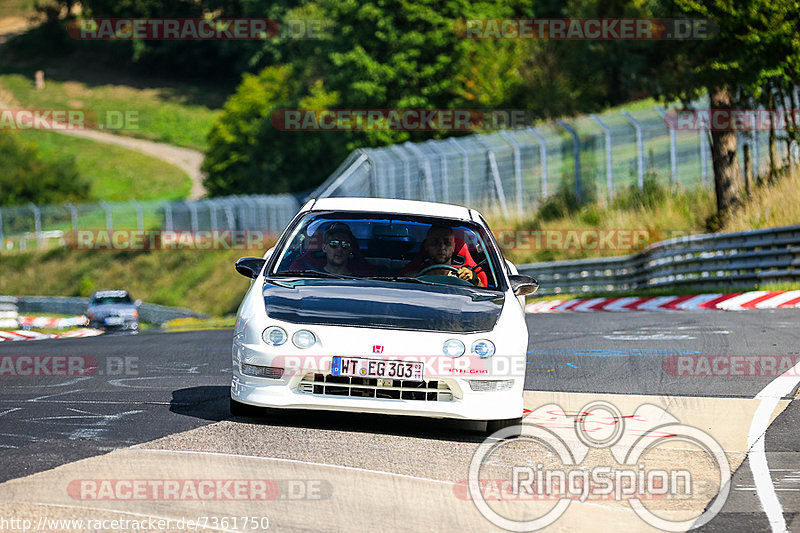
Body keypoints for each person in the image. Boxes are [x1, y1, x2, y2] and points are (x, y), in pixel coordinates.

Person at [399, 225, 486, 287]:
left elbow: (484, 299)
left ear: (454, 247)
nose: (441, 247)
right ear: (426, 246)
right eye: (435, 242)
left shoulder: (465, 277)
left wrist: (475, 280)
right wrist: (409, 281)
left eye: (447, 242)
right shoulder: (414, 277)